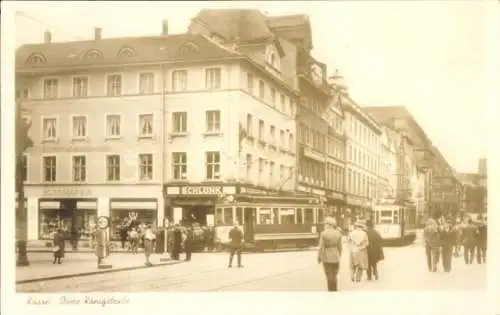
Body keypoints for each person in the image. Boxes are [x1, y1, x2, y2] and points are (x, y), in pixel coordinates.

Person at [317, 216, 343, 291]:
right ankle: (335, 289)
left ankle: (331, 290)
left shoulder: (323, 234)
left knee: (329, 275)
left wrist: (319, 258)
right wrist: (339, 255)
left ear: (329, 224)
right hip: (336, 257)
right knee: (334, 274)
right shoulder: (338, 233)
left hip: (327, 257)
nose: (325, 225)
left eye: (325, 224)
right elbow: (340, 247)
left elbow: (321, 247)